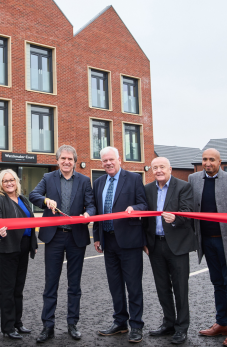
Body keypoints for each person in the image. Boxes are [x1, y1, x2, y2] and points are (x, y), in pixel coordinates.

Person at [29, 145, 96, 343]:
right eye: (63, 158)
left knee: (74, 284)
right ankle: (47, 326)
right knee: (51, 283)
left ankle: (72, 324)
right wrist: (46, 201)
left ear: (75, 161)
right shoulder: (48, 178)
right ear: (57, 160)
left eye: (70, 159)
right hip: (54, 237)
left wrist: (88, 213)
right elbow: (34, 195)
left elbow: (91, 205)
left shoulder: (84, 180)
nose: (66, 162)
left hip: (76, 237)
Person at [188, 148, 227, 347]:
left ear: (220, 162)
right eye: (204, 159)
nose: (208, 163)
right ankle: (222, 323)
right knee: (217, 283)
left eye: (212, 159)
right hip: (206, 241)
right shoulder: (193, 179)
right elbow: (189, 207)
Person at [93, 146, 148, 343]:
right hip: (108, 241)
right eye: (104, 161)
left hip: (130, 241)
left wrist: (134, 207)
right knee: (115, 285)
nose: (108, 163)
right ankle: (120, 322)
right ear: (101, 163)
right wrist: (97, 237)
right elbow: (97, 211)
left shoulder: (133, 179)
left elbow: (144, 205)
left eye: (111, 159)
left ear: (119, 160)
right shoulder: (99, 182)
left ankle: (136, 325)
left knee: (133, 286)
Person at [142, 157, 196, 345]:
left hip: (177, 246)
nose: (158, 170)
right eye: (155, 167)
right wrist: (144, 242)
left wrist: (176, 219)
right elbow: (145, 218)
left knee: (180, 288)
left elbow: (188, 212)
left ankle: (182, 328)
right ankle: (169, 323)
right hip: (155, 245)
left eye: (162, 167)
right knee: (162, 287)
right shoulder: (148, 189)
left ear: (170, 169)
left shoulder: (183, 187)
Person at [0, 169, 38, 340]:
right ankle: (8, 326)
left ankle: (17, 322)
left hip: (23, 247)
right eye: (5, 181)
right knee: (7, 290)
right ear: (1, 184)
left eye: (11, 180)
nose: (9, 183)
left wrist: (33, 244)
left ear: (16, 181)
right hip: (7, 248)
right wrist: (0, 230)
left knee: (18, 288)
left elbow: (31, 222)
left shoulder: (22, 199)